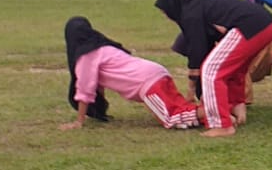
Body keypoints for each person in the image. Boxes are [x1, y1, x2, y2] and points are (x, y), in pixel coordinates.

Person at [154, 0, 272, 137]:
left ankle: (221, 124)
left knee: (211, 70)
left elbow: (197, 51)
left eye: (165, 12)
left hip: (250, 26)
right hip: (266, 23)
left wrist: (191, 88)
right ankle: (236, 106)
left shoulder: (191, 14)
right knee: (232, 66)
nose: (167, 17)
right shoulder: (203, 5)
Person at [60, 16, 200, 130]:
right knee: (181, 107)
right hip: (158, 72)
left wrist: (79, 121)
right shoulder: (104, 46)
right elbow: (98, 87)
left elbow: (85, 89)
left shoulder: (86, 56)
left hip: (147, 83)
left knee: (172, 117)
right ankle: (212, 113)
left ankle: (214, 111)